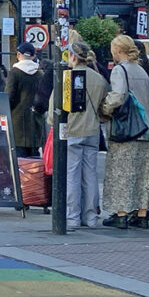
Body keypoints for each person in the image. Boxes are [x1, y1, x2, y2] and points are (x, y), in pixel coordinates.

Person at [52, 37, 109, 229]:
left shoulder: (66, 78)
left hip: (72, 130)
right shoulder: (99, 79)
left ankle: (72, 216)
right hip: (92, 129)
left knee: (71, 174)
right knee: (90, 175)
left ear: (73, 57)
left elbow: (54, 110)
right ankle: (91, 216)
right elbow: (104, 105)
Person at [99, 35, 149, 230]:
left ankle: (121, 214)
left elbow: (118, 96)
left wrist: (104, 109)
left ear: (117, 51)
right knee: (141, 173)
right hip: (145, 127)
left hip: (126, 130)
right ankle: (141, 214)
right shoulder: (142, 70)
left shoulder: (119, 70)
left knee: (121, 172)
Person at [7, 43, 45, 159]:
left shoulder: (14, 72)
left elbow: (9, 97)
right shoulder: (40, 73)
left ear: (18, 54)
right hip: (35, 121)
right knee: (34, 160)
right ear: (34, 56)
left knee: (19, 161)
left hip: (17, 121)